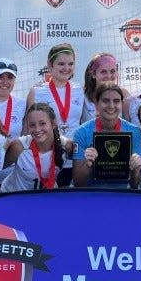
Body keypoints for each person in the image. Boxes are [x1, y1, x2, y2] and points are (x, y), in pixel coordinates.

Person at [27, 43, 84, 186]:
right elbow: (28, 127)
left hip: (74, 157)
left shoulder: (79, 90)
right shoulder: (37, 91)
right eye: (61, 64)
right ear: (50, 65)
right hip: (48, 158)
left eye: (70, 64)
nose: (66, 68)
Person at [72, 82, 141, 188]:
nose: (111, 106)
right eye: (105, 101)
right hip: (92, 195)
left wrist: (136, 170)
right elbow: (78, 183)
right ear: (96, 104)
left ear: (121, 104)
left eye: (116, 101)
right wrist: (87, 165)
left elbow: (135, 184)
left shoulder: (134, 132)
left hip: (122, 195)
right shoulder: (81, 133)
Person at [0, 103, 73, 192]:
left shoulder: (66, 146)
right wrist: (1, 150)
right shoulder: (18, 146)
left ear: (53, 124)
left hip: (41, 198)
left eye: (42, 123)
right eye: (32, 125)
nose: (37, 129)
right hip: (13, 197)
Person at [81, 52, 130, 123]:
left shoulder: (123, 94)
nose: (109, 76)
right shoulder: (82, 95)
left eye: (112, 71)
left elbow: (128, 125)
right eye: (103, 72)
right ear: (93, 74)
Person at [0, 57, 26, 140]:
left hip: (13, 152)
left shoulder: (23, 105)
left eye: (10, 77)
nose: (5, 82)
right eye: (0, 77)